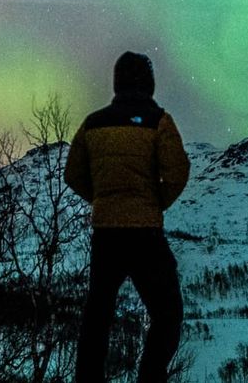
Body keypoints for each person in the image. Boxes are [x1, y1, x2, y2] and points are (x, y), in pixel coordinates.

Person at [64, 51, 191, 383]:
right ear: (149, 82)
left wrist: (103, 200)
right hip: (145, 234)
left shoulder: (93, 124)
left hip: (106, 234)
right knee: (167, 313)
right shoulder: (159, 121)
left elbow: (73, 174)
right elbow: (177, 172)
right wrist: (154, 203)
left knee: (98, 316)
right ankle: (150, 378)